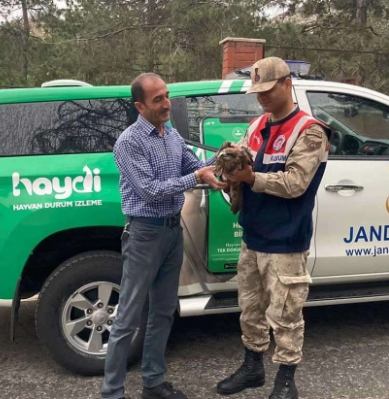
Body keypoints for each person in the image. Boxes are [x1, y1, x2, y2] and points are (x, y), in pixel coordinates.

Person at [102, 72, 226, 399]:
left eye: (167, 95)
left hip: (172, 232)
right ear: (140, 106)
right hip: (144, 234)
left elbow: (195, 166)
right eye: (157, 99)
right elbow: (150, 191)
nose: (166, 103)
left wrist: (223, 157)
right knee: (128, 317)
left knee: (162, 312)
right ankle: (112, 393)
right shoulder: (129, 142)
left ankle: (153, 384)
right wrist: (198, 175)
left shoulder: (170, 134)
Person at [215, 57, 331, 399]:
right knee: (250, 308)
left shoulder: (309, 130)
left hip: (285, 240)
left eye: (267, 89)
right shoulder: (257, 125)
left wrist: (251, 178)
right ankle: (253, 367)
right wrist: (228, 178)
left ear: (286, 83)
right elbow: (245, 167)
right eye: (257, 91)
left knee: (285, 314)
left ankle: (285, 381)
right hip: (253, 236)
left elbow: (296, 183)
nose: (261, 96)